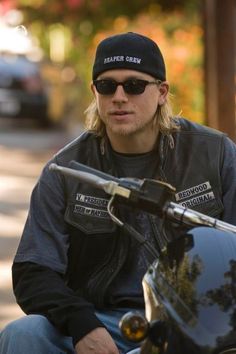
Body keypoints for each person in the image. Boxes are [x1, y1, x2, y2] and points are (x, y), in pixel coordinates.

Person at [0, 31, 236, 354]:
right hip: (103, 320)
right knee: (23, 335)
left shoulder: (216, 154)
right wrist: (82, 324)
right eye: (107, 86)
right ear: (94, 92)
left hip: (194, 322)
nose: (120, 97)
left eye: (135, 86)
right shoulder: (67, 170)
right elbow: (33, 271)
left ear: (162, 92)